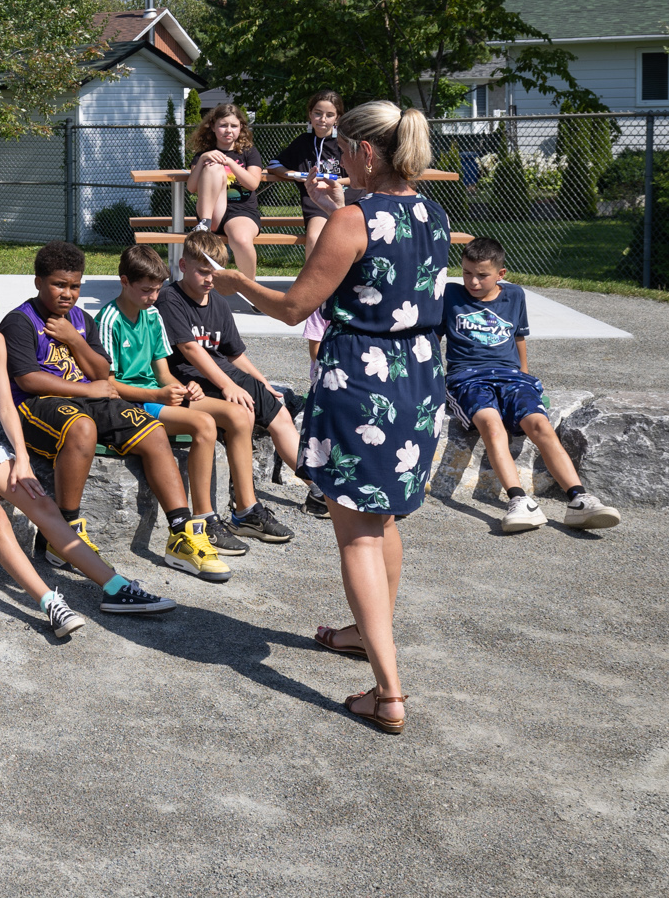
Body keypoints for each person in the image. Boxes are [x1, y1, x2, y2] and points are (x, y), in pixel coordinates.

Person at [215, 100, 453, 735]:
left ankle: (388, 691)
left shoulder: (355, 219)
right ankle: (361, 633)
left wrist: (236, 284)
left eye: (344, 151)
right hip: (418, 380)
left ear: (367, 153)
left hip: (361, 382)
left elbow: (295, 308)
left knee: (357, 536)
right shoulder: (434, 212)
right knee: (385, 517)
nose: (338, 161)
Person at [0, 268, 177, 629]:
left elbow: (6, 406)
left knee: (43, 504)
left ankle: (116, 587)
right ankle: (49, 601)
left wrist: (21, 458)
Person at [0, 241, 229, 582]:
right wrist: (88, 389)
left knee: (151, 431)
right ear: (38, 282)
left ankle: (181, 532)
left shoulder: (80, 319)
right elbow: (28, 379)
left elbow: (100, 369)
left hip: (87, 398)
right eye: (59, 285)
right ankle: (64, 535)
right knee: (83, 428)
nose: (68, 294)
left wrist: (75, 342)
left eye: (74, 285)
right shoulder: (20, 321)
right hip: (35, 406)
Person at [94, 245, 295, 554]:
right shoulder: (109, 319)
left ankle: (245, 511)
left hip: (157, 396)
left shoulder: (151, 315)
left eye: (156, 289)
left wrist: (185, 388)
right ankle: (204, 520)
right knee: (203, 424)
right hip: (131, 404)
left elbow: (163, 373)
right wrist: (159, 394)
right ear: (125, 282)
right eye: (147, 290)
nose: (153, 296)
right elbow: (108, 384)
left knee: (240, 415)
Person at [443, 237, 621, 533]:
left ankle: (579, 499)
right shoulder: (450, 295)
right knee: (491, 423)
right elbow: (432, 338)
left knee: (539, 423)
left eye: (482, 275)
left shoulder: (514, 295)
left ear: (501, 274)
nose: (473, 281)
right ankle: (519, 500)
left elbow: (518, 338)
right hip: (466, 377)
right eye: (466, 272)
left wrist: (525, 377)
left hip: (512, 377)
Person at [159, 230, 311, 520]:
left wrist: (261, 380)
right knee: (243, 412)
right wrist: (228, 385)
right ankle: (245, 505)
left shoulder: (217, 302)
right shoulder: (170, 299)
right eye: (203, 272)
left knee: (278, 413)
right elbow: (190, 349)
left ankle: (317, 489)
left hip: (225, 374)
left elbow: (235, 353)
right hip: (193, 380)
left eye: (214, 274)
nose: (209, 280)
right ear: (183, 266)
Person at [188, 102, 267, 282]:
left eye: (233, 126)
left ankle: (251, 288)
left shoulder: (249, 153)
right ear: (213, 127)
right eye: (223, 125)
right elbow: (191, 188)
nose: (228, 130)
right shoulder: (203, 155)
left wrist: (229, 163)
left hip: (242, 211)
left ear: (241, 128)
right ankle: (204, 227)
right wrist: (202, 162)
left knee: (241, 240)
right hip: (212, 212)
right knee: (212, 168)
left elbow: (253, 183)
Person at [269, 91, 347, 255]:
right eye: (318, 113)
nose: (323, 119)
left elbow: (359, 176)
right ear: (310, 114)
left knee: (347, 239)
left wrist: (332, 182)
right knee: (315, 238)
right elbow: (274, 164)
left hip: (346, 201)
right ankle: (314, 281)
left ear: (338, 118)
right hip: (315, 203)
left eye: (329, 115)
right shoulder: (303, 142)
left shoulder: (345, 142)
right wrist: (296, 175)